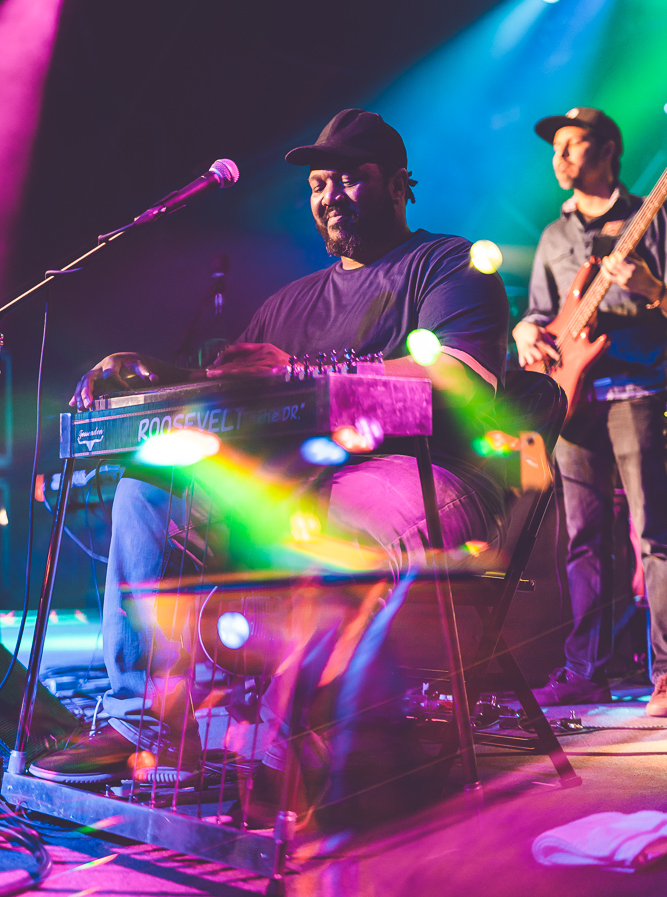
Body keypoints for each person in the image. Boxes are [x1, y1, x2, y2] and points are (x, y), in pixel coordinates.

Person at [30, 108, 508, 789]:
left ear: (401, 184)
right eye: (318, 185)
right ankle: (147, 722)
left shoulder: (446, 263)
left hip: (421, 470)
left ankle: (296, 740)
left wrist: (299, 373)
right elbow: (237, 409)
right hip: (298, 480)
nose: (329, 196)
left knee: (331, 523)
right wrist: (145, 379)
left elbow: (458, 381)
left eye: (350, 179)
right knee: (147, 488)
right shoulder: (287, 303)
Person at [513, 107, 667, 714]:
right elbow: (540, 311)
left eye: (574, 146)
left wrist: (652, 289)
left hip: (639, 391)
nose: (560, 157)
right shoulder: (554, 236)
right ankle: (585, 670)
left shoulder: (650, 218)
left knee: (654, 535)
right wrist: (526, 332)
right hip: (573, 399)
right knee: (585, 540)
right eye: (556, 149)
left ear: (608, 151)